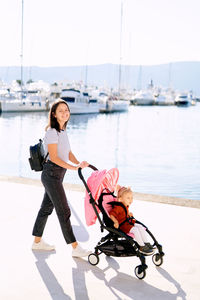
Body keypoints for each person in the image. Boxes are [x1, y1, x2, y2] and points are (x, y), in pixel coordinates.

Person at [32, 99, 91, 257]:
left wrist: (78, 163)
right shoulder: (52, 131)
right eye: (61, 111)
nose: (65, 113)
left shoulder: (63, 130)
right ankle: (75, 247)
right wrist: (73, 168)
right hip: (51, 174)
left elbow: (68, 153)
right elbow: (54, 157)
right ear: (54, 114)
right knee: (64, 211)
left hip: (57, 175)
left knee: (46, 208)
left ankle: (37, 242)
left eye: (67, 110)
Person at [109, 186, 154, 255]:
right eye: (128, 198)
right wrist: (115, 221)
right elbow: (111, 214)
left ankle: (146, 243)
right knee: (135, 230)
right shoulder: (118, 207)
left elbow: (123, 214)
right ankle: (141, 246)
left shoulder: (125, 205)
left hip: (128, 223)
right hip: (123, 226)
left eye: (131, 198)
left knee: (141, 227)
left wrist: (129, 215)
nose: (131, 200)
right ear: (120, 199)